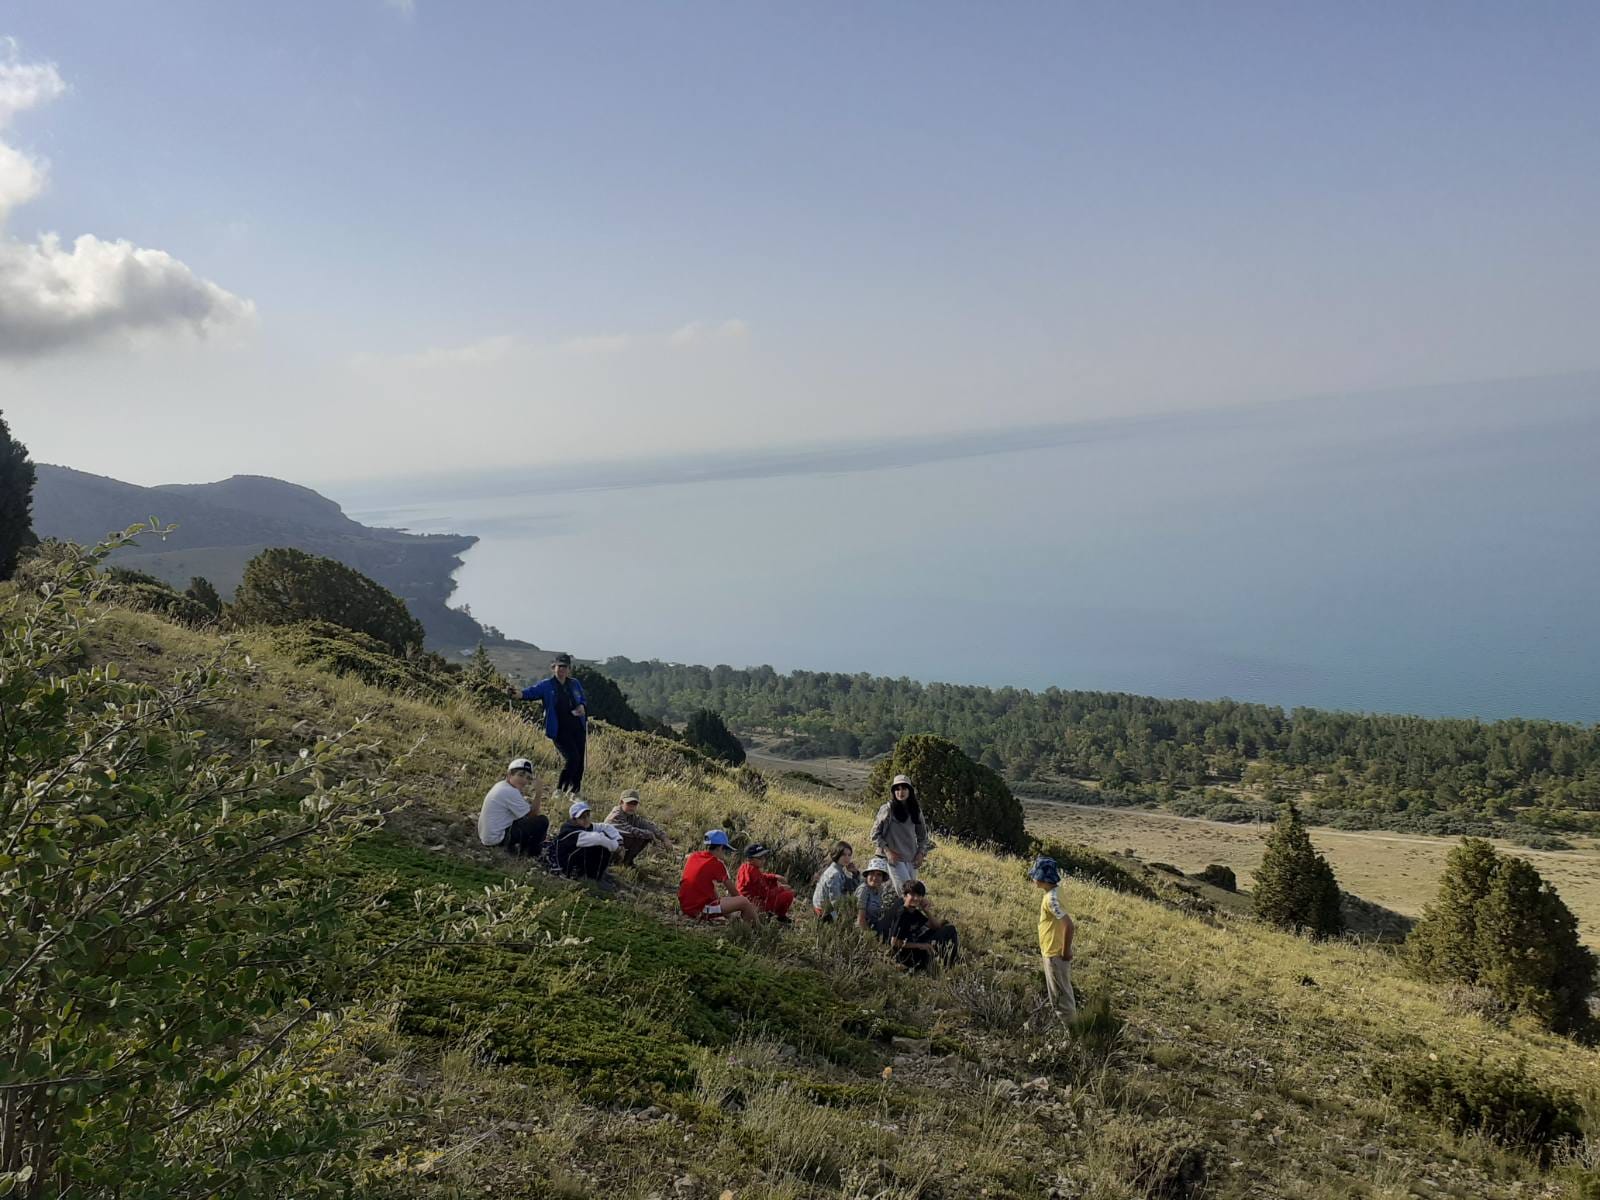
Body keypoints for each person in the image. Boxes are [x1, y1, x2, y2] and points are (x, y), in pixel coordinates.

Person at [519, 653, 588, 794]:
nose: (562, 669)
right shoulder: (547, 685)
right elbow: (531, 693)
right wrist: (518, 694)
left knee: (580, 762)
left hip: (577, 728)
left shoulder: (574, 684)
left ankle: (575, 791)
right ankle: (560, 790)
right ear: (553, 668)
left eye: (565, 666)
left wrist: (582, 706)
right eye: (559, 666)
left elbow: (582, 699)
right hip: (559, 730)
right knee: (572, 758)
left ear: (569, 669)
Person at [1029, 856, 1077, 1020]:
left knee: (1062, 1001)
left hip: (1055, 954)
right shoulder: (1056, 892)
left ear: (1042, 878)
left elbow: (1069, 925)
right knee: (1061, 995)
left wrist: (1065, 951)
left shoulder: (1051, 899)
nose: (1033, 878)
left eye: (1035, 875)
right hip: (1053, 951)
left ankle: (1074, 1037)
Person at [678, 831, 759, 925]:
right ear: (720, 847)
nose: (725, 854)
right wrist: (747, 906)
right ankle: (758, 929)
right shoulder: (717, 863)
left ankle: (734, 920)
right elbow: (734, 893)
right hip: (699, 909)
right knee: (743, 901)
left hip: (685, 906)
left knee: (714, 891)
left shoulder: (693, 856)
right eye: (726, 850)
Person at [871, 774, 931, 895]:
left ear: (910, 791)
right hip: (895, 858)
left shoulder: (916, 810)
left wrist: (921, 853)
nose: (900, 792)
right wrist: (888, 852)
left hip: (911, 859)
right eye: (897, 789)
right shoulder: (887, 809)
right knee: (906, 893)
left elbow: (923, 836)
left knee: (912, 894)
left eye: (904, 788)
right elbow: (874, 834)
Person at [477, 757, 548, 857]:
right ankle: (531, 855)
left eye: (528, 778)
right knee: (542, 821)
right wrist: (539, 792)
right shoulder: (510, 792)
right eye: (521, 775)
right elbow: (533, 815)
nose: (524, 780)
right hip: (495, 839)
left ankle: (521, 849)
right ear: (509, 774)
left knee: (524, 820)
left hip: (487, 836)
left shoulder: (501, 785)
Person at [889, 880, 959, 972]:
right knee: (949, 930)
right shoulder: (902, 913)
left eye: (919, 895)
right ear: (905, 896)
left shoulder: (914, 912)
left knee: (947, 928)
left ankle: (949, 961)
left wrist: (926, 910)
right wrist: (921, 945)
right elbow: (894, 942)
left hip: (916, 947)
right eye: (912, 895)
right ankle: (947, 964)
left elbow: (936, 926)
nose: (916, 898)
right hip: (906, 955)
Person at [553, 799, 620, 890]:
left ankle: (597, 874)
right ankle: (594, 879)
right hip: (566, 866)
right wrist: (616, 847)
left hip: (573, 860)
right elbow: (598, 838)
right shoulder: (572, 832)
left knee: (602, 838)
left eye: (588, 815)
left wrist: (619, 840)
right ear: (574, 819)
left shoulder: (582, 826)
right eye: (582, 817)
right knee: (601, 845)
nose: (587, 819)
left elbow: (605, 827)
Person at [605, 789, 672, 866]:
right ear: (621, 802)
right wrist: (650, 835)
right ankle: (615, 863)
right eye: (629, 803)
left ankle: (626, 863)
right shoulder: (616, 815)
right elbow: (629, 830)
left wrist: (664, 838)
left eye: (634, 804)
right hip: (605, 850)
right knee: (642, 835)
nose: (632, 807)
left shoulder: (630, 816)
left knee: (643, 834)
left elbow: (647, 825)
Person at [736, 844, 796, 921]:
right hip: (756, 904)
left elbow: (762, 876)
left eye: (764, 857)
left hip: (748, 900)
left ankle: (770, 914)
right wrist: (782, 888)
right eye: (760, 858)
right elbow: (766, 894)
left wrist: (775, 876)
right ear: (750, 859)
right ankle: (780, 916)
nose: (763, 860)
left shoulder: (745, 867)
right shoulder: (754, 873)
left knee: (772, 882)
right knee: (788, 895)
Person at [812, 840, 861, 920]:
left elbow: (852, 887)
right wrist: (846, 913)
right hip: (823, 912)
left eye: (849, 855)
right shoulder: (835, 874)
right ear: (837, 855)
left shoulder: (838, 869)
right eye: (844, 855)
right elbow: (835, 900)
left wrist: (855, 873)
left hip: (825, 907)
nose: (847, 858)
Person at [854, 856, 900, 940]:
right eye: (872, 873)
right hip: (862, 929)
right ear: (867, 875)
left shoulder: (879, 889)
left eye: (879, 875)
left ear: (882, 878)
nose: (875, 878)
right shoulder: (863, 890)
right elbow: (860, 920)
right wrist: (871, 938)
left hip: (874, 925)